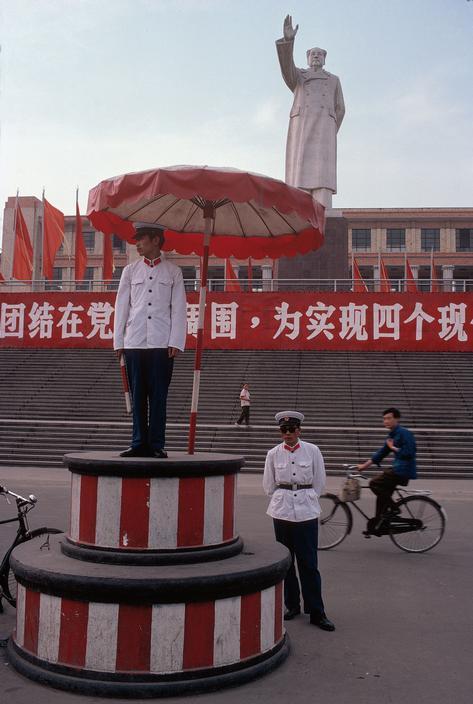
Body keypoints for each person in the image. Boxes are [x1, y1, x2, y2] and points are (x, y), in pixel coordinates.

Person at [114, 224, 187, 458]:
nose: (137, 243)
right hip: (135, 341)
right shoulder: (130, 271)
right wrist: (118, 341)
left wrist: (176, 340)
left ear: (156, 240)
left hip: (161, 343)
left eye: (141, 239)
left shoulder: (173, 271)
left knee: (158, 397)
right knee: (137, 397)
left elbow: (179, 308)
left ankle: (156, 444)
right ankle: (138, 442)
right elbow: (122, 306)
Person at [263, 411, 335, 631]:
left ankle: (316, 611)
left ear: (299, 430)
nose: (287, 434)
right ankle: (291, 605)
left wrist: (307, 497)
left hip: (305, 511)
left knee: (309, 563)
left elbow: (319, 482)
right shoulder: (273, 454)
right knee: (286, 562)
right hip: (282, 511)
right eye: (283, 430)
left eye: (291, 429)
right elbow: (268, 485)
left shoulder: (312, 451)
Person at [276, 14, 345, 210]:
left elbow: (340, 108)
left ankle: (324, 209)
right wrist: (289, 41)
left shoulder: (333, 80)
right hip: (302, 128)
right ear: (307, 58)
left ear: (324, 58)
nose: (316, 56)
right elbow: (286, 68)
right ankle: (300, 207)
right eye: (312, 54)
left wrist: (331, 128)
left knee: (322, 175)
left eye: (319, 54)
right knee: (300, 173)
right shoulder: (298, 76)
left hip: (324, 130)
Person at [357, 408, 417, 532]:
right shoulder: (392, 435)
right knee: (382, 494)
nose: (386, 421)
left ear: (397, 419)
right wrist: (364, 466)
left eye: (389, 418)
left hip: (403, 470)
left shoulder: (405, 433)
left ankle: (394, 508)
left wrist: (393, 448)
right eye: (384, 419)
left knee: (374, 483)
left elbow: (409, 453)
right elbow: (381, 453)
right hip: (397, 469)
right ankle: (379, 523)